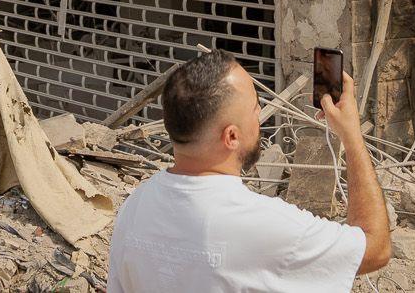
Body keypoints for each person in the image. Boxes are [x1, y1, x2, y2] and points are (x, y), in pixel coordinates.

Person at [107, 50, 392, 291]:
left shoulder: (134, 208)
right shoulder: (266, 224)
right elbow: (375, 249)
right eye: (256, 109)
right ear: (231, 137)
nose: (260, 117)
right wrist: (352, 135)